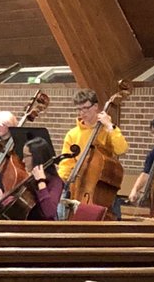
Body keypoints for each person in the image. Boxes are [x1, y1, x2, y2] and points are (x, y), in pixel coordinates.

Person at [58, 88, 128, 218]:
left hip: (101, 190)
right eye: (78, 109)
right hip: (78, 188)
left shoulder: (107, 130)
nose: (82, 113)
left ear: (96, 106)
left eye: (85, 108)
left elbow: (121, 149)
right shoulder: (72, 134)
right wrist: (61, 185)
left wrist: (109, 126)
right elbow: (66, 166)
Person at [23, 137, 63, 220]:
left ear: (36, 157)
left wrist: (41, 182)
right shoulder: (30, 179)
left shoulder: (55, 182)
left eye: (26, 156)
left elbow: (49, 212)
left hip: (43, 229)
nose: (23, 160)